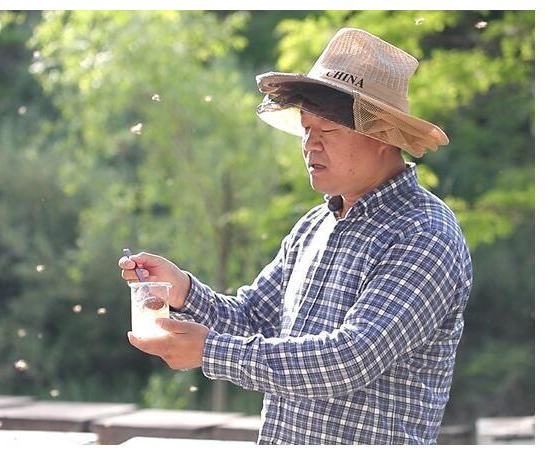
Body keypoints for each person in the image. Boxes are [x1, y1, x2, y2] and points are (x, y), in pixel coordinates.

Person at [119, 28, 473, 445]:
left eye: (328, 130)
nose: (309, 145)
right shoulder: (313, 226)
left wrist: (210, 351)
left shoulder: (425, 233)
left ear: (382, 136)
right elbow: (252, 319)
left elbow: (351, 358)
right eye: (306, 128)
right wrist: (182, 290)